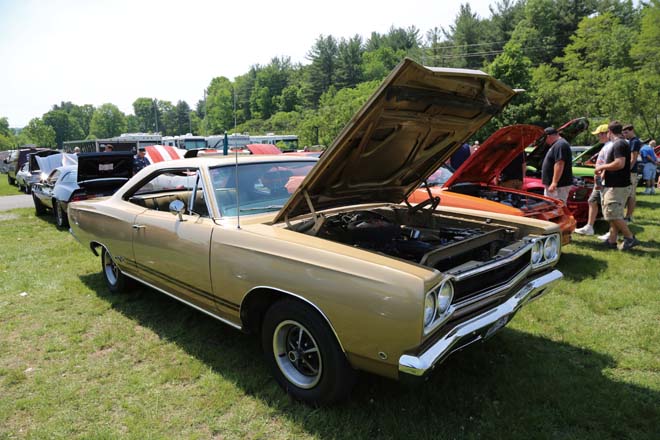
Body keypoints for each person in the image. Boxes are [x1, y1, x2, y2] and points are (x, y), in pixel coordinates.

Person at [594, 121, 639, 250]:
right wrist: (603, 175)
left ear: (609, 132)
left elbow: (620, 163)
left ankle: (630, 238)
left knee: (612, 214)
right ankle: (612, 241)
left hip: (617, 186)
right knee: (614, 214)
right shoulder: (619, 143)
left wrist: (601, 167)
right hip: (615, 184)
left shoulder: (619, 144)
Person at [574, 124, 612, 235]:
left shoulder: (610, 146)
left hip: (605, 180)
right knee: (592, 201)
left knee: (607, 204)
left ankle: (612, 230)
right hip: (600, 180)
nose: (598, 137)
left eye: (599, 134)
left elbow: (608, 164)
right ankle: (589, 227)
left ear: (606, 134)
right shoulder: (605, 146)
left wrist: (601, 179)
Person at [541, 126, 573, 203]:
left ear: (548, 136)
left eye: (544, 138)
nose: (544, 141)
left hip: (559, 185)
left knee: (557, 207)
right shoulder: (556, 145)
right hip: (555, 185)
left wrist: (554, 182)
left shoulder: (561, 145)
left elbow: (560, 163)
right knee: (551, 206)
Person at [622, 124, 641, 222]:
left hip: (631, 172)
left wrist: (626, 170)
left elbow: (633, 159)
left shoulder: (635, 141)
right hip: (630, 171)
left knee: (631, 195)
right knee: (628, 194)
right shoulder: (630, 141)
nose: (625, 135)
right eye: (623, 133)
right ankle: (627, 216)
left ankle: (629, 216)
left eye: (626, 132)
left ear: (632, 130)